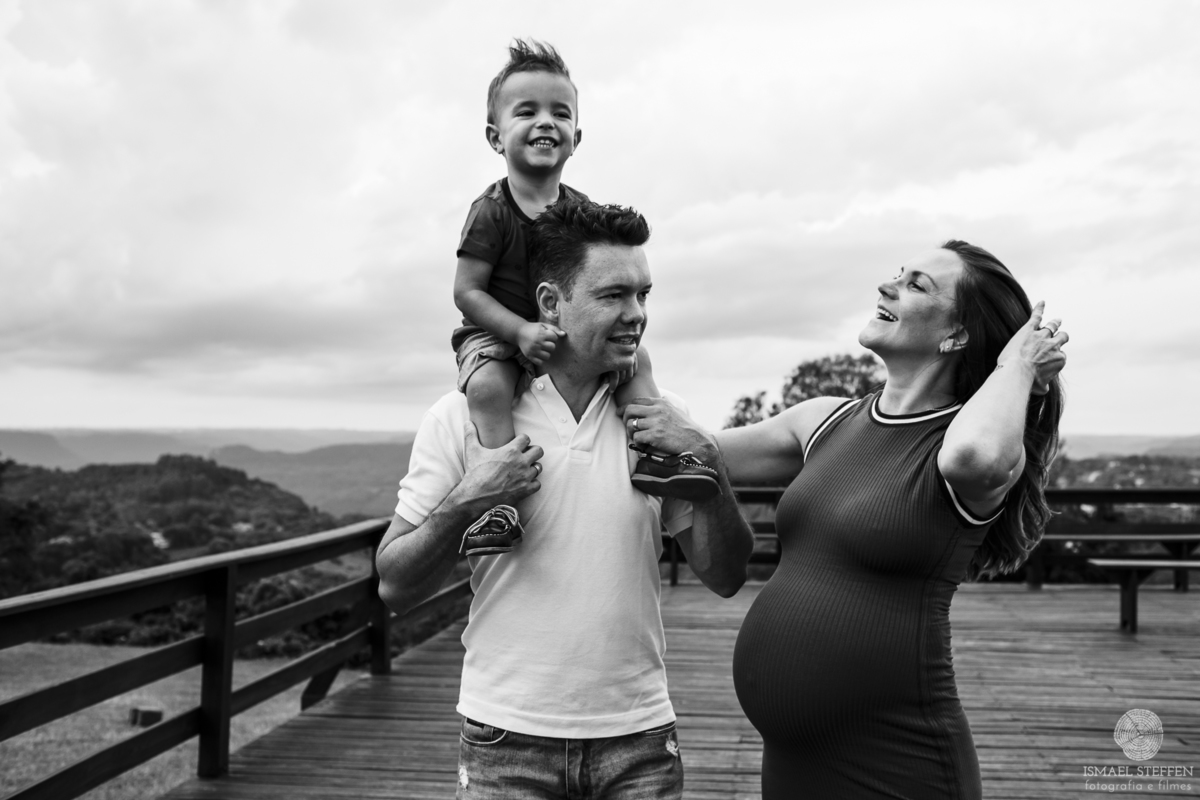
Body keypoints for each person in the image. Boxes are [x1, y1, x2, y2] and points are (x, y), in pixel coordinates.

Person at [623, 240, 1067, 799]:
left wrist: (1017, 365)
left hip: (897, 763)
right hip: (792, 764)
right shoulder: (825, 420)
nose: (888, 285)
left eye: (916, 284)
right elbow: (680, 446)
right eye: (897, 274)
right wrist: (630, 356)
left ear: (957, 335)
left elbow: (973, 457)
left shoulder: (966, 446)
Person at [377, 198, 755, 800]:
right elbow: (395, 585)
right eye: (614, 296)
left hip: (640, 738)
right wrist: (466, 501)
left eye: (643, 295)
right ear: (551, 303)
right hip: (504, 739)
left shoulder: (663, 418)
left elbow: (726, 576)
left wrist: (707, 460)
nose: (636, 315)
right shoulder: (460, 417)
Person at [451, 40, 716, 556]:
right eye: (526, 111)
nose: (545, 121)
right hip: (498, 331)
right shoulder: (491, 211)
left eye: (560, 112)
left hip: (563, 331)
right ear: (495, 137)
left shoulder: (580, 212)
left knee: (636, 363)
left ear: (576, 138)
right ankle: (497, 501)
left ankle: (655, 456)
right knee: (486, 387)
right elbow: (467, 291)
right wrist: (519, 331)